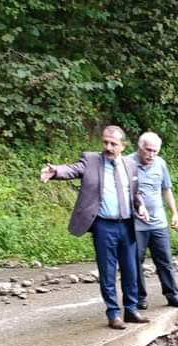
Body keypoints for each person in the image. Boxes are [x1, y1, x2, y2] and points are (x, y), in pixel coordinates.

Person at [39, 125, 149, 330]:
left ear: (123, 146)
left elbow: (135, 192)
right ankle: (113, 313)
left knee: (131, 269)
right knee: (107, 271)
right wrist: (55, 171)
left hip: (127, 225)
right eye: (105, 142)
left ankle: (131, 309)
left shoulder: (130, 165)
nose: (108, 147)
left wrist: (140, 205)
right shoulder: (91, 160)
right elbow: (72, 169)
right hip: (103, 226)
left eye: (113, 144)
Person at [132, 132, 178, 309]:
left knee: (165, 260)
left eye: (155, 151)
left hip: (158, 223)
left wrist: (174, 213)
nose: (151, 154)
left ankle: (172, 294)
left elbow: (166, 189)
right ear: (139, 147)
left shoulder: (160, 163)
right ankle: (139, 297)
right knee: (135, 261)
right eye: (148, 150)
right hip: (136, 224)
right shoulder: (127, 163)